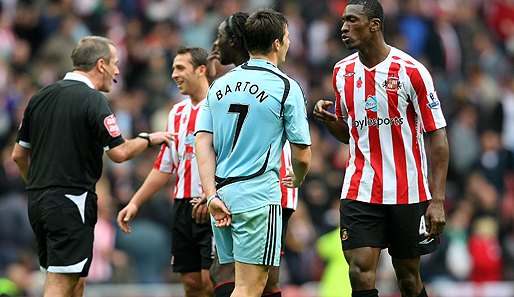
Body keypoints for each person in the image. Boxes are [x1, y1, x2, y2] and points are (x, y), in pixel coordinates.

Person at [11, 36, 175, 297]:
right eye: (115, 63)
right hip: (70, 200)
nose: (118, 71)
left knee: (74, 281)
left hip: (39, 201)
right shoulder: (93, 99)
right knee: (61, 282)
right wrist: (147, 139)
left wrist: (38, 186)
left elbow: (19, 155)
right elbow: (119, 153)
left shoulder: (39, 97)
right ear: (101, 65)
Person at [312, 1, 449, 297]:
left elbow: (437, 136)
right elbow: (351, 135)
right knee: (360, 271)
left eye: (352, 20)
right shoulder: (342, 72)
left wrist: (437, 200)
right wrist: (329, 122)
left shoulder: (412, 71)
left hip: (407, 190)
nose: (344, 27)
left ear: (374, 24)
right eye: (343, 21)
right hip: (360, 189)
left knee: (408, 279)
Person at [195, 8, 311, 297]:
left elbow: (202, 143)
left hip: (222, 196)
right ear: (276, 43)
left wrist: (211, 196)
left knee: (231, 279)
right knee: (250, 288)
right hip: (259, 197)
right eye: (286, 38)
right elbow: (302, 154)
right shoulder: (286, 86)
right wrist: (297, 179)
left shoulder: (218, 85)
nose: (287, 43)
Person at [117, 46, 215, 297]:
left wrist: (211, 195)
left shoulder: (219, 107)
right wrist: (135, 202)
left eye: (180, 68)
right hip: (182, 206)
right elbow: (165, 165)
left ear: (201, 70)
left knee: (211, 283)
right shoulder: (176, 112)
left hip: (211, 205)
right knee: (192, 285)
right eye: (173, 68)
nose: (174, 74)